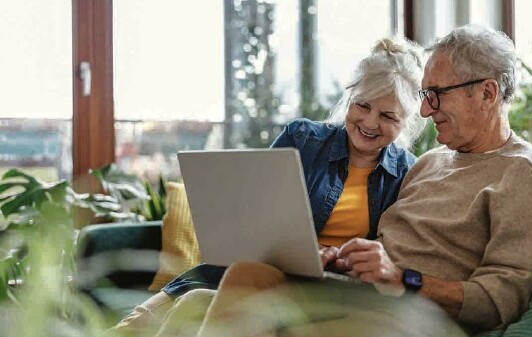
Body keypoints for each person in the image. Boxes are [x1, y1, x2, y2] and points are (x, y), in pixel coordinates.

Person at [151, 24, 532, 337]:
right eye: (425, 96)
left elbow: (503, 296)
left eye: (436, 95)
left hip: (411, 315)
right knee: (196, 300)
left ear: (488, 93)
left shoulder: (529, 173)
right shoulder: (429, 164)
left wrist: (404, 279)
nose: (425, 112)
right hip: (355, 291)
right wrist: (345, 257)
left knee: (244, 283)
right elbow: (387, 245)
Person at [109, 36, 426, 336]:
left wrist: (341, 259)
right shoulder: (302, 139)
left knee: (190, 306)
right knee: (135, 325)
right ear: (349, 99)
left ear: (407, 121)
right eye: (363, 106)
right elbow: (253, 219)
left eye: (387, 116)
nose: (370, 122)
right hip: (250, 269)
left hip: (324, 288)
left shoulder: (408, 173)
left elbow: (391, 257)